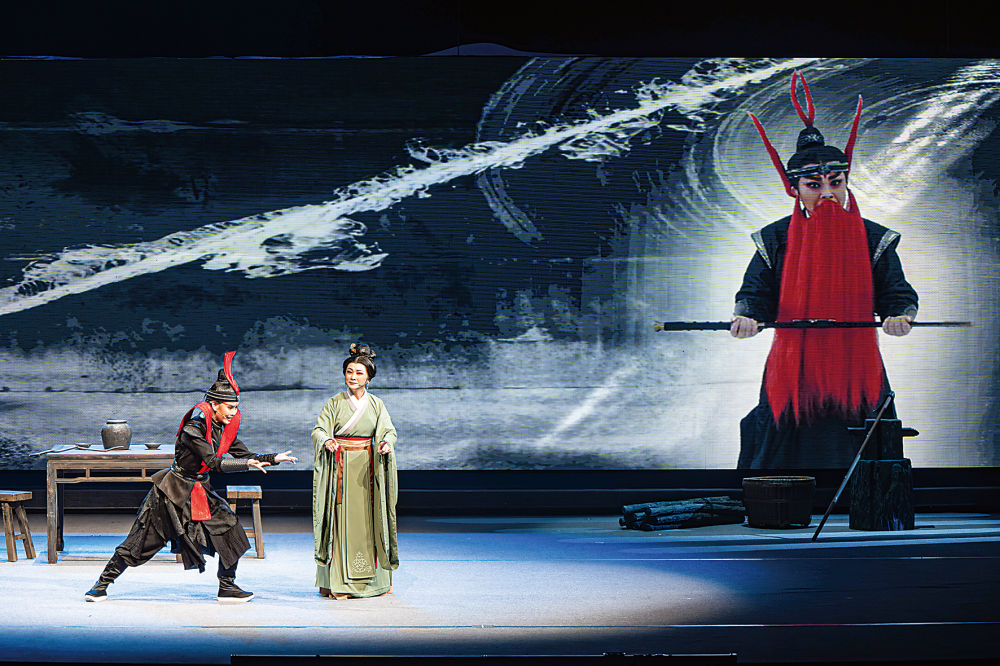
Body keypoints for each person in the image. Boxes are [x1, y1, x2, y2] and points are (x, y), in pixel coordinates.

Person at [731, 72, 918, 469]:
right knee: (781, 442)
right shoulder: (774, 238)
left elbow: (896, 291)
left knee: (869, 440)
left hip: (857, 362)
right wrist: (747, 316)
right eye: (814, 185)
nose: (828, 194)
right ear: (795, 189)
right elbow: (756, 292)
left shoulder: (875, 238)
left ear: (846, 182)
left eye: (836, 182)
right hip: (793, 364)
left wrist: (899, 315)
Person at [85, 351, 297, 602]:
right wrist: (245, 464)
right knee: (142, 542)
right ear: (214, 404)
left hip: (200, 489)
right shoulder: (193, 429)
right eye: (229, 407)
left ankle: (227, 586)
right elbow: (214, 462)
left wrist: (273, 458)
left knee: (231, 529)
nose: (233, 413)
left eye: (235, 408)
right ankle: (101, 584)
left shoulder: (222, 429)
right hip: (172, 492)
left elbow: (245, 454)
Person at [312, 343, 398, 600]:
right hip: (340, 468)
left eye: (359, 373)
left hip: (367, 469)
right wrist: (327, 440)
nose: (353, 377)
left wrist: (386, 443)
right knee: (340, 521)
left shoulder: (376, 404)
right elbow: (319, 430)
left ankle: (375, 582)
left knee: (371, 520)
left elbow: (388, 430)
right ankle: (339, 583)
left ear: (368, 378)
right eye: (349, 372)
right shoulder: (334, 403)